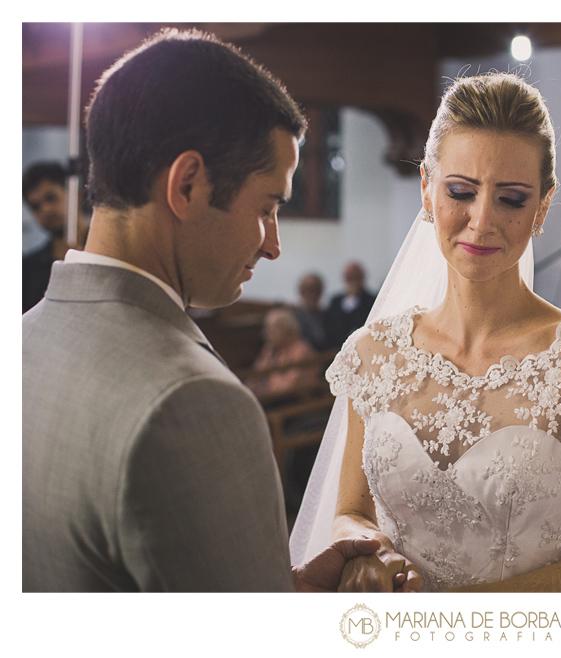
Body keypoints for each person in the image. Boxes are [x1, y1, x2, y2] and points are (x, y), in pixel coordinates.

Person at [290, 72, 561, 593]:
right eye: (461, 191)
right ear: (427, 189)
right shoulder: (374, 355)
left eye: (511, 199)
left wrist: (453, 621)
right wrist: (367, 553)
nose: (480, 221)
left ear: (542, 206)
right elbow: (350, 514)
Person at [22, 28, 368, 592]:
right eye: (268, 206)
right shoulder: (192, 404)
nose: (272, 243)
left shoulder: (23, 340)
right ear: (187, 185)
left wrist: (284, 590)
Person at [22, 162, 88, 312]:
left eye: (51, 198)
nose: (45, 209)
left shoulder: (107, 249)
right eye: (35, 206)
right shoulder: (27, 270)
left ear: (75, 194)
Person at [248, 307, 318, 399]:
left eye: (272, 330)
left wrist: (261, 391)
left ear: (288, 331)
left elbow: (288, 387)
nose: (266, 334)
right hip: (268, 397)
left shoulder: (301, 351)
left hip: (291, 401)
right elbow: (254, 376)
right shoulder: (269, 348)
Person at [325, 261, 376, 347]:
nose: (353, 281)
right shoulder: (335, 301)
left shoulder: (371, 300)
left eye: (355, 277)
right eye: (350, 277)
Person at [294, 272, 330, 351]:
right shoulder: (294, 319)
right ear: (301, 292)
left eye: (316, 290)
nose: (312, 295)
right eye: (308, 290)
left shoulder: (330, 317)